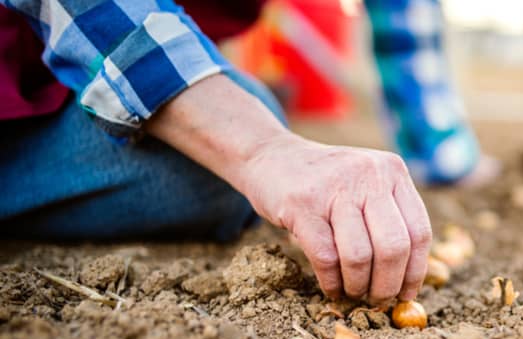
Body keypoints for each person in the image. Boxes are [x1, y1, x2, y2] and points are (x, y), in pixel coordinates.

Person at [0, 0, 481, 305]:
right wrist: (264, 150)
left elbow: (404, 16)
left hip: (62, 80)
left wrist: (439, 149)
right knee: (229, 147)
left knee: (218, 148)